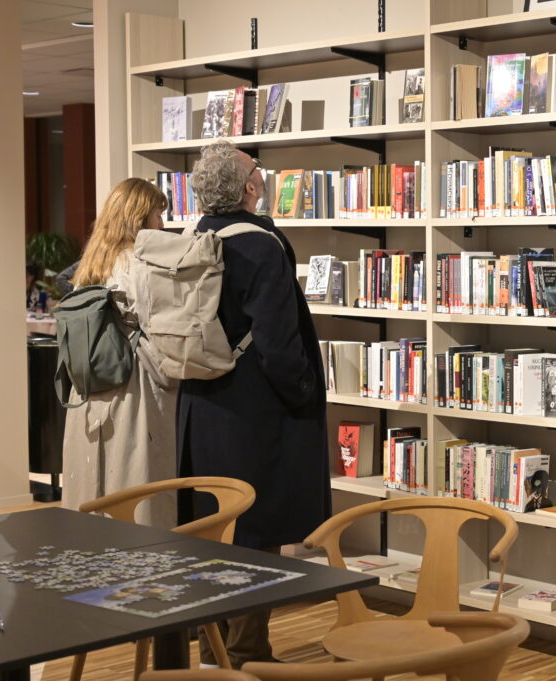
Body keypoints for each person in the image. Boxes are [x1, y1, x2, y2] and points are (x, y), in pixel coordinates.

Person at [179, 141, 330, 668]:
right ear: (248, 187)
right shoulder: (262, 245)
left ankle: (210, 650)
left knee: (209, 530)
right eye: (257, 170)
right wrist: (305, 395)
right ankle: (246, 655)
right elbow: (278, 342)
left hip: (201, 403)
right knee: (254, 531)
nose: (262, 177)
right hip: (254, 411)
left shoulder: (195, 236)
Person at [60, 178, 177, 529]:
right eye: (158, 214)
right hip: (133, 383)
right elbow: (158, 329)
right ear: (139, 216)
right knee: (136, 479)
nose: (162, 223)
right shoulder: (142, 266)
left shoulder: (89, 265)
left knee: (93, 478)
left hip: (88, 384)